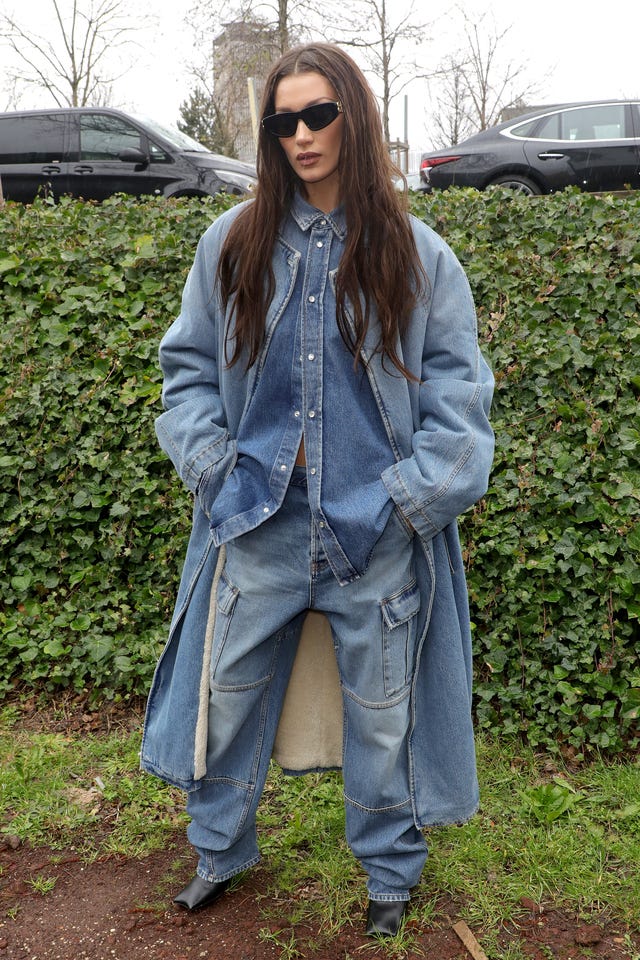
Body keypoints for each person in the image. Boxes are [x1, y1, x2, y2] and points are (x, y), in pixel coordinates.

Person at [141, 42, 494, 938]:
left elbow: (461, 417)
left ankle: (388, 877)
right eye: (282, 121)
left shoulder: (418, 257)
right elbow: (183, 376)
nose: (300, 135)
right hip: (254, 524)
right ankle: (218, 852)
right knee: (222, 702)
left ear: (355, 117)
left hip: (372, 536)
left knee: (383, 721)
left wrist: (402, 503)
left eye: (318, 115)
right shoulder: (231, 244)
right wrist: (216, 468)